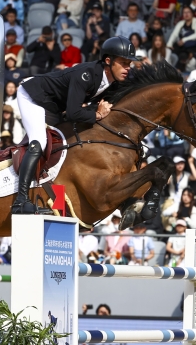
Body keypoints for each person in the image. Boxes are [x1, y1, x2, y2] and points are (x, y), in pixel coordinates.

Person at [13, 36, 138, 214]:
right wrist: (97, 114)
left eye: (129, 63)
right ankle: (20, 202)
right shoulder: (86, 74)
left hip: (54, 106)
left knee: (66, 145)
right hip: (33, 96)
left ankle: (57, 199)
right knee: (39, 141)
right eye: (124, 63)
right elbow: (73, 113)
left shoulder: (113, 82)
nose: (128, 67)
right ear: (108, 61)